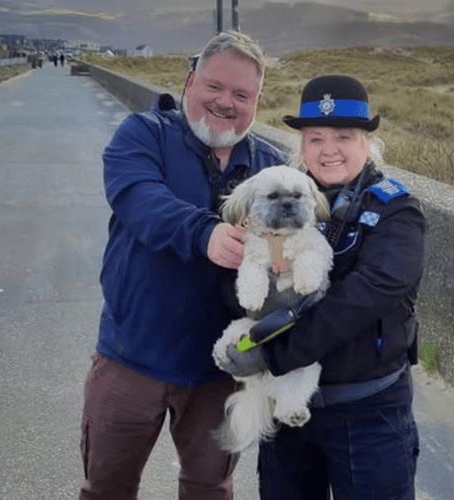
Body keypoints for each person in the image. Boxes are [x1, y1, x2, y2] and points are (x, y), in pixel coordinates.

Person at [79, 31, 286, 500]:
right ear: (190, 81)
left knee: (209, 488)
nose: (226, 103)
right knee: (106, 487)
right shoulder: (143, 135)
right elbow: (139, 199)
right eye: (215, 86)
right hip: (131, 358)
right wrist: (205, 233)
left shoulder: (272, 170)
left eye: (242, 94)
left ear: (257, 101)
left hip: (219, 374)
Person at [216, 74, 426, 500]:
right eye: (315, 139)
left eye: (344, 136)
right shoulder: (272, 195)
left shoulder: (397, 212)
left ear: (367, 142)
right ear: (302, 146)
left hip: (369, 414)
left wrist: (270, 352)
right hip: (288, 412)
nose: (328, 149)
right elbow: (233, 276)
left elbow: (366, 296)